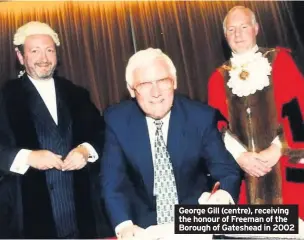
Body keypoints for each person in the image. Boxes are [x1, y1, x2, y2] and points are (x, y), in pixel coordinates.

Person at [101, 47, 241, 239]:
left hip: (195, 220)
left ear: (174, 82)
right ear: (131, 90)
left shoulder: (199, 117)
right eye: (144, 84)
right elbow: (112, 184)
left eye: (163, 81)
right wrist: (124, 226)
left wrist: (222, 196)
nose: (156, 92)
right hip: (143, 226)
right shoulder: (117, 120)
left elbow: (227, 170)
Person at [0, 21, 107, 238]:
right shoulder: (5, 97)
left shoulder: (77, 94)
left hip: (80, 212)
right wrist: (27, 156)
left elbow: (102, 133)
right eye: (35, 51)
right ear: (20, 57)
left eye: (49, 50)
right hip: (25, 214)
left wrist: (85, 150)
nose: (44, 58)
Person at [208, 6, 304, 218]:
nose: (238, 34)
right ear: (225, 36)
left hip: (285, 167)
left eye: (243, 26)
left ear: (256, 29)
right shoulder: (217, 79)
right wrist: (240, 157)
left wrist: (277, 149)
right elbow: (218, 128)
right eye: (231, 29)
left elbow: (298, 115)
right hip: (245, 177)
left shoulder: (281, 62)